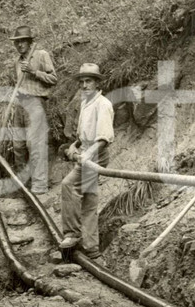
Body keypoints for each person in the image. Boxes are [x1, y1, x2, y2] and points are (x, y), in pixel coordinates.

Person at [59, 63, 114, 260]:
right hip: (85, 151)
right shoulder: (85, 102)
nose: (84, 85)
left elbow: (103, 138)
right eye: (81, 82)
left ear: (97, 83)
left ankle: (72, 233)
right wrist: (75, 145)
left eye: (88, 81)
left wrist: (87, 156)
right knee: (89, 201)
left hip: (96, 155)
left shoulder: (103, 104)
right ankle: (92, 250)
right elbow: (84, 135)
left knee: (68, 185)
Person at [7, 25, 57, 194]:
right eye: (17, 42)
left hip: (36, 103)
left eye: (23, 41)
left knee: (35, 144)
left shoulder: (41, 55)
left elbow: (53, 78)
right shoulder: (17, 61)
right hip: (20, 105)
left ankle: (40, 185)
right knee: (18, 146)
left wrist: (34, 71)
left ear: (29, 42)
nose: (19, 45)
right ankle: (24, 184)